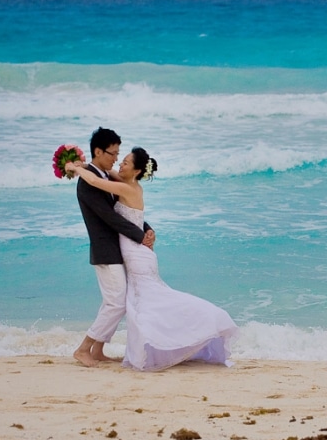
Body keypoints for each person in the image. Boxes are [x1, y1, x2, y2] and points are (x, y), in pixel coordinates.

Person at [66, 147, 238, 371]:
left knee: (147, 302)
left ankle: (172, 338)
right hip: (136, 251)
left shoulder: (126, 188)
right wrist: (84, 165)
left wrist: (73, 168)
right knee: (137, 301)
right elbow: (105, 173)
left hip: (136, 253)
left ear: (137, 171)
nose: (120, 164)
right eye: (121, 160)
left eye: (126, 162)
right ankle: (102, 349)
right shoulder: (128, 183)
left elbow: (95, 181)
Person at [72, 127, 156, 367]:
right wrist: (140, 236)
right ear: (98, 152)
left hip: (118, 249)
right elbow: (110, 217)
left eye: (120, 154)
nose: (116, 159)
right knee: (116, 303)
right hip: (105, 250)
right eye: (113, 153)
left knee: (114, 301)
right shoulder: (88, 181)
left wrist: (146, 228)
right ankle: (83, 349)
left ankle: (97, 349)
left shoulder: (105, 176)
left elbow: (126, 209)